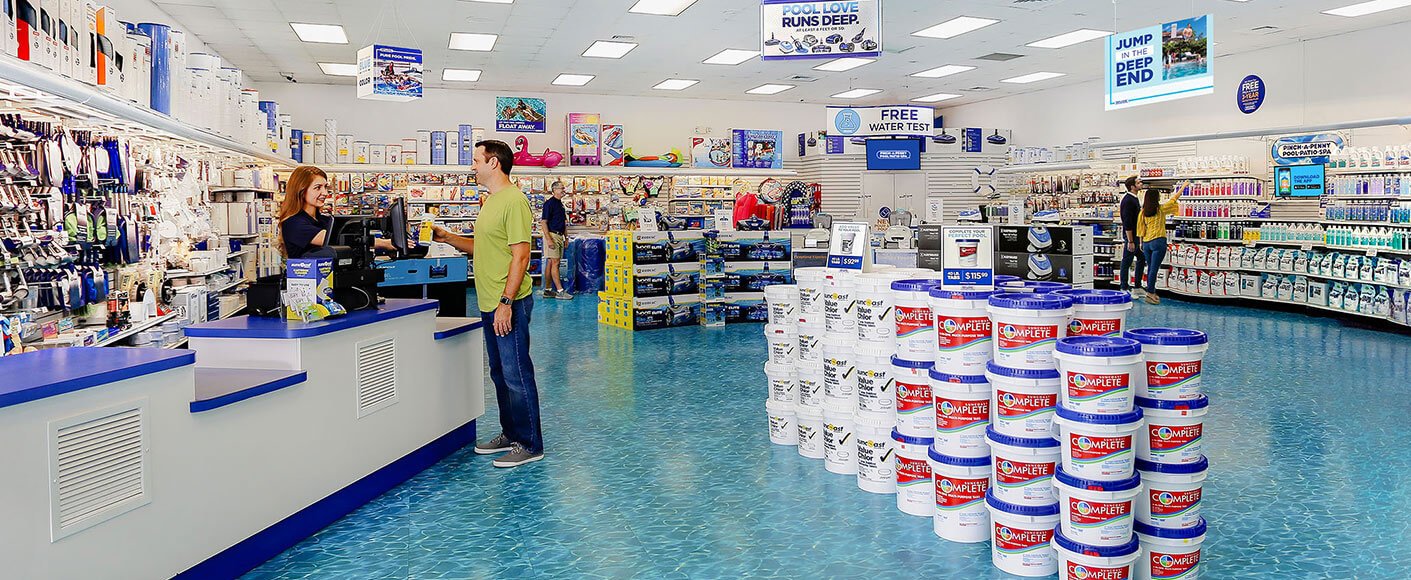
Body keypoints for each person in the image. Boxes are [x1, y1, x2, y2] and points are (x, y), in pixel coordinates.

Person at [430, 140, 544, 468]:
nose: (472, 165)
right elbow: (484, 247)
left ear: (494, 163)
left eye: (476, 159)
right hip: (488, 300)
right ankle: (511, 433)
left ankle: (530, 443)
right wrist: (448, 238)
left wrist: (506, 302)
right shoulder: (491, 202)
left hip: (508, 301)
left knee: (516, 372)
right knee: (498, 372)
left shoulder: (514, 201)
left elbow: (521, 256)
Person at [277, 165, 395, 259]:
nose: (324, 193)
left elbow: (351, 233)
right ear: (301, 191)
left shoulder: (324, 219)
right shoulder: (293, 223)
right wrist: (385, 243)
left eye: (325, 187)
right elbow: (335, 239)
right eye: (318, 188)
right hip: (309, 283)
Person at [1135, 186, 1184, 305]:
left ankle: (1151, 292)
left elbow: (1140, 228)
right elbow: (1173, 200)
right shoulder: (1161, 209)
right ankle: (1150, 293)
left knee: (1151, 267)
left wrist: (1141, 243)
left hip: (1146, 243)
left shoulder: (1143, 212)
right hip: (1158, 241)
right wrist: (1183, 187)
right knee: (1154, 269)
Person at [540, 181, 572, 300]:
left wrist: (566, 237)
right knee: (555, 263)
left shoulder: (560, 204)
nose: (564, 190)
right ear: (555, 190)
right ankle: (560, 291)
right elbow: (543, 222)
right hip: (552, 236)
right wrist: (549, 240)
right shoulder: (549, 204)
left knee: (551, 263)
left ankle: (548, 290)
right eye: (562, 188)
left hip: (559, 236)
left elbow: (563, 223)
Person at [1118, 176, 1147, 295]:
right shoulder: (1128, 200)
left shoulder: (1134, 199)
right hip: (1131, 237)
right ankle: (1124, 287)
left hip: (1136, 235)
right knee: (1127, 260)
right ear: (1132, 186)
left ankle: (1137, 286)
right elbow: (1127, 222)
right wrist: (1130, 241)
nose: (1141, 183)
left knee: (1141, 258)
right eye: (1138, 182)